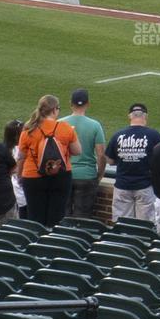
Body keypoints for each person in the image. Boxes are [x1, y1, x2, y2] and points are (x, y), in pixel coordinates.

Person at [16, 94, 77, 226]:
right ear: (54, 110)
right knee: (56, 218)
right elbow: (77, 151)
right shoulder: (65, 127)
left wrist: (19, 175)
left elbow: (21, 156)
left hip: (32, 176)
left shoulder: (29, 129)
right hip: (60, 174)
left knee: (35, 218)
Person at [106, 103, 160, 222]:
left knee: (121, 225)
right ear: (145, 116)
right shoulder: (154, 135)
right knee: (145, 225)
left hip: (122, 186)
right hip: (145, 186)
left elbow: (109, 160)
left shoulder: (118, 135)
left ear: (130, 116)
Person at [64, 89, 106, 220]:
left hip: (64, 174)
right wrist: (100, 174)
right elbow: (101, 154)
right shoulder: (95, 125)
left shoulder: (59, 124)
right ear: (88, 104)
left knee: (62, 216)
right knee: (82, 219)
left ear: (71, 103)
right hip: (87, 176)